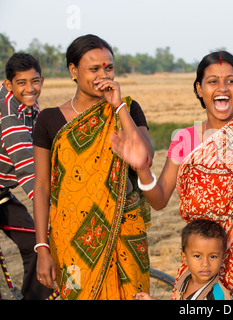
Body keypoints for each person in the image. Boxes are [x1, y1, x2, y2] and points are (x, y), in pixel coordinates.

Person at [112, 51, 233, 300]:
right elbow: (159, 199)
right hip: (201, 259)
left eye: (230, 80)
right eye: (212, 81)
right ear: (199, 88)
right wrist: (142, 168)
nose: (222, 88)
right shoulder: (184, 140)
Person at [32, 34, 154, 300]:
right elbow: (41, 187)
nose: (103, 75)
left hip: (125, 230)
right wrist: (42, 247)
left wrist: (118, 105)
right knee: (77, 294)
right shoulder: (49, 120)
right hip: (72, 241)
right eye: (94, 69)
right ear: (73, 71)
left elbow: (145, 158)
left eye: (109, 67)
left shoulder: (129, 109)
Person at [0, 53, 53, 300]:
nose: (30, 88)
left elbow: (45, 152)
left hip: (2, 193)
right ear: (8, 85)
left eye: (34, 81)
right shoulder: (9, 117)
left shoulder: (29, 107)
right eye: (21, 83)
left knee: (37, 244)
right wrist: (57, 209)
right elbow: (29, 172)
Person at [134, 219, 231, 300]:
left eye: (213, 256)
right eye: (197, 256)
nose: (205, 264)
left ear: (223, 258)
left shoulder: (217, 296)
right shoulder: (186, 277)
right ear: (184, 258)